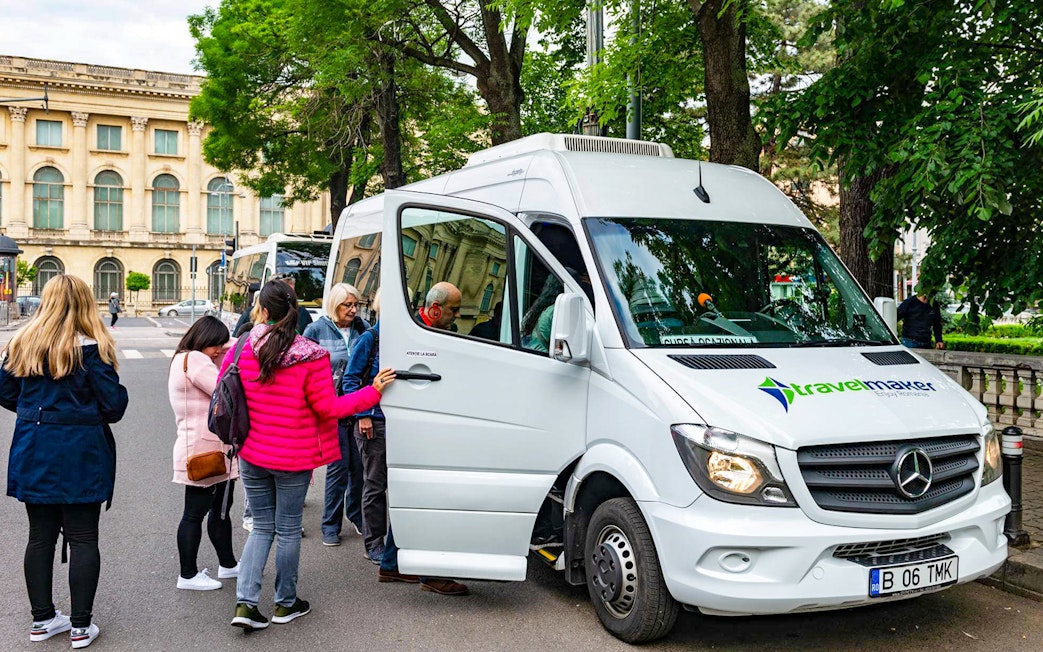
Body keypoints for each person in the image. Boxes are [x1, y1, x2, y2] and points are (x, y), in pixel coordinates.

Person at [225, 280, 395, 631]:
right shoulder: (311, 355)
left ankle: (246, 603)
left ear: (264, 310)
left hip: (253, 454)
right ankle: (285, 604)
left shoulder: (243, 344)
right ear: (296, 311)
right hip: (293, 457)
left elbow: (224, 384)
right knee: (287, 531)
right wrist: (372, 392)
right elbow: (328, 407)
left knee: (261, 528)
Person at [0, 274, 129, 649]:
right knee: (84, 536)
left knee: (39, 536)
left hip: (33, 445)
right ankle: (79, 626)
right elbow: (114, 407)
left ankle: (41, 620)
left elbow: (7, 393)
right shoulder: (92, 348)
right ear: (86, 305)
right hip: (80, 450)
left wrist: (37, 411)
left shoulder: (22, 343)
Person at [350, 283, 467, 596]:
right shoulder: (373, 338)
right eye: (454, 310)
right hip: (376, 424)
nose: (458, 316)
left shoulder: (431, 334)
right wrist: (363, 412)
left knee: (410, 493)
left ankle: (392, 563)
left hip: (413, 426)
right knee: (378, 486)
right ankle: (379, 550)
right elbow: (350, 380)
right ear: (437, 308)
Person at [168, 316, 239, 591]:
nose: (220, 351)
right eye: (216, 346)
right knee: (195, 513)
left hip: (211, 446)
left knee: (221, 511)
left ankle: (228, 564)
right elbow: (225, 388)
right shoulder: (196, 360)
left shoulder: (186, 357)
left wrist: (226, 343)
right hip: (203, 449)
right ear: (204, 341)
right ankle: (187, 574)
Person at [302, 283, 370, 547]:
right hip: (331, 408)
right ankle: (330, 524)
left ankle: (356, 515)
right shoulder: (315, 330)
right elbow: (303, 369)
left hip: (359, 405)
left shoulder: (362, 329)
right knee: (338, 468)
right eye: (348, 305)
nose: (353, 310)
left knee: (358, 467)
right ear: (334, 305)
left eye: (356, 305)